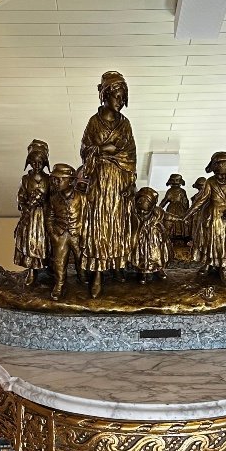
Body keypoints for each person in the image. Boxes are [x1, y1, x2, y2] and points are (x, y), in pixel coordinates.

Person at [79, 70, 137, 298]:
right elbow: (85, 151)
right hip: (100, 182)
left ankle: (116, 265)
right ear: (105, 95)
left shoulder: (126, 124)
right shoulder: (94, 122)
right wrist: (104, 150)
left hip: (119, 182)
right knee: (99, 225)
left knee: (117, 225)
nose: (120, 102)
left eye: (123, 98)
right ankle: (97, 273)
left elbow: (130, 155)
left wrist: (129, 180)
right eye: (116, 97)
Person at [186, 151, 226, 285]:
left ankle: (223, 268)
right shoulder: (210, 182)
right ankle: (207, 264)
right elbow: (201, 199)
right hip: (212, 216)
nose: (223, 177)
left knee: (224, 242)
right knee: (210, 242)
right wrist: (188, 213)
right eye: (219, 174)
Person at [45, 163, 84, 301]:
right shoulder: (53, 199)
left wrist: (83, 234)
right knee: (59, 262)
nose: (56, 182)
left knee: (81, 259)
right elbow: (49, 218)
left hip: (77, 235)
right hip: (60, 235)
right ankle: (59, 284)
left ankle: (83, 279)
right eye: (54, 179)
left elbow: (87, 217)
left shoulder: (81, 197)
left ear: (71, 181)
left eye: (60, 179)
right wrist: (52, 234)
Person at [13, 140, 50, 286]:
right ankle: (32, 270)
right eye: (33, 162)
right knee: (30, 243)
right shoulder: (26, 180)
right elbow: (20, 198)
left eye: (40, 162)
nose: (36, 165)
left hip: (43, 217)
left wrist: (44, 203)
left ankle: (47, 269)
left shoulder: (49, 180)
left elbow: (53, 198)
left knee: (45, 243)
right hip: (30, 216)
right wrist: (26, 205)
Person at [131, 187, 170, 282]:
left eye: (145, 211)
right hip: (141, 239)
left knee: (156, 255)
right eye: (141, 210)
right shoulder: (134, 213)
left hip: (155, 239)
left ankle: (158, 269)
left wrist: (181, 219)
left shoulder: (157, 212)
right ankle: (143, 272)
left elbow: (168, 216)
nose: (142, 212)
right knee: (142, 256)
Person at [160, 173, 189, 243]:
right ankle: (177, 235)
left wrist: (160, 207)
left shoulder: (171, 191)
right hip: (178, 209)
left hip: (173, 209)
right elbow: (185, 201)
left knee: (175, 221)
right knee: (176, 220)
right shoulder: (181, 191)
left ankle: (176, 235)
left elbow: (165, 201)